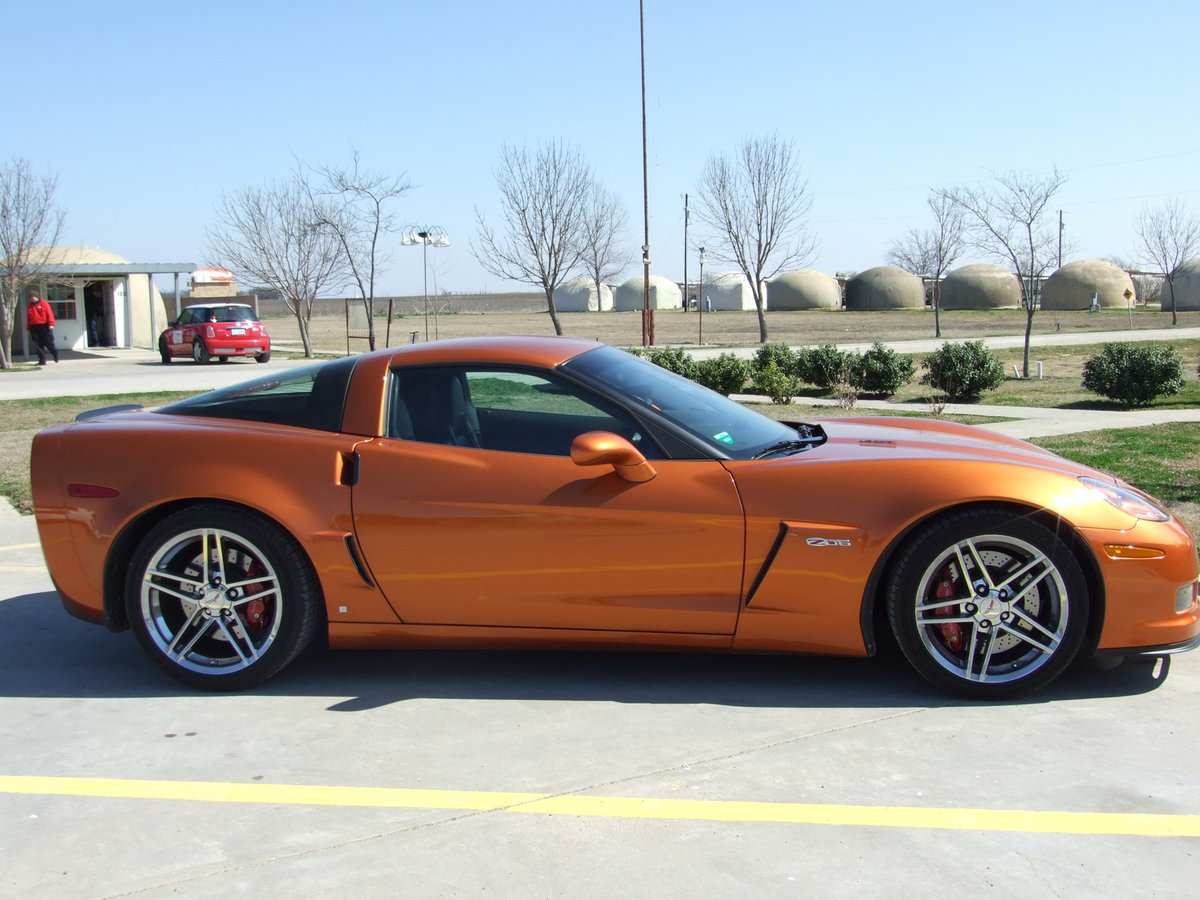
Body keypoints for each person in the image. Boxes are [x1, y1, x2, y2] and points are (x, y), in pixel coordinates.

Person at [26, 293, 59, 364]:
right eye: (30, 297)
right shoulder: (30, 306)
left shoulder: (44, 303)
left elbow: (49, 314)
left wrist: (51, 324)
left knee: (48, 342)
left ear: (36, 296)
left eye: (32, 297)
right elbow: (29, 318)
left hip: (44, 326)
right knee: (38, 344)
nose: (31, 298)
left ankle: (55, 354)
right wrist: (28, 327)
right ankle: (42, 360)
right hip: (34, 327)